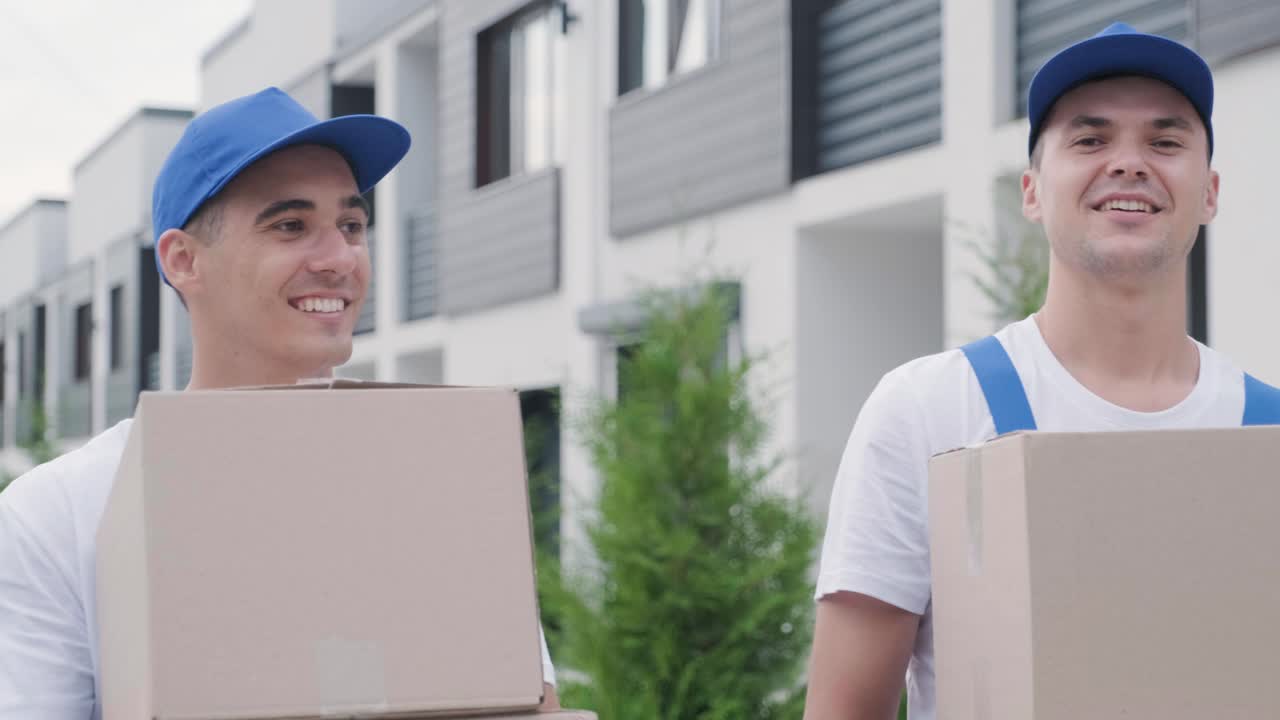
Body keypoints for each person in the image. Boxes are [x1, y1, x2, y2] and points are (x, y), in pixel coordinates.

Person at [0, 87, 560, 719]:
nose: (340, 258)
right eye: (291, 226)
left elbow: (523, 700)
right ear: (183, 261)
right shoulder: (61, 513)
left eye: (352, 226)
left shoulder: (439, 477)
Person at [801, 22, 1280, 720]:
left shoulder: (1268, 438)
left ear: (1209, 193)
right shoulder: (931, 412)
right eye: (1090, 140)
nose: (1128, 162)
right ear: (1031, 190)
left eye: (1165, 141)